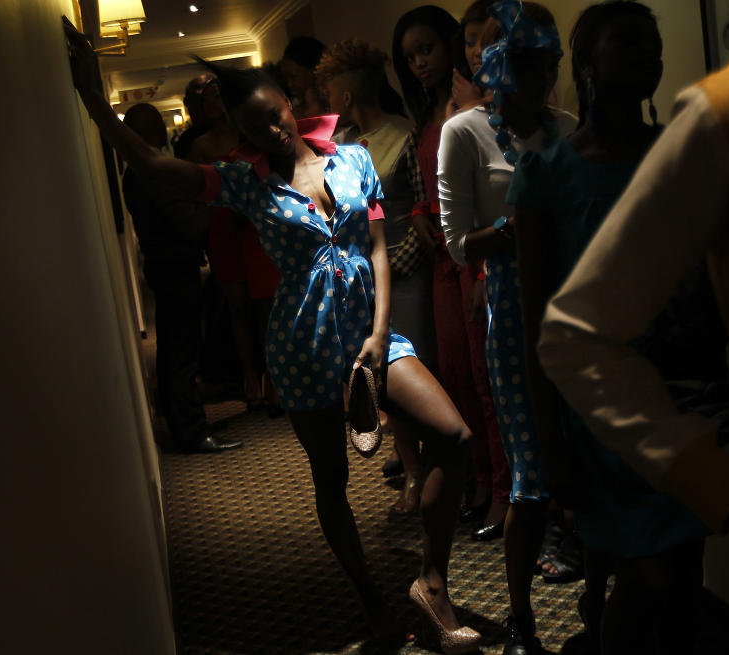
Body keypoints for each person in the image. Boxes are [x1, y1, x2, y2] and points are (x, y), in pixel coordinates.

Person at [64, 20, 480, 652]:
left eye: (276, 114)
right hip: (302, 345)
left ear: (291, 102)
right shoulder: (242, 180)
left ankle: (431, 581)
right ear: (240, 131)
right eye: (254, 126)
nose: (273, 131)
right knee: (330, 481)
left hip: (372, 337)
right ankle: (370, 598)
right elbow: (153, 162)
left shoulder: (354, 157)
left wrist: (377, 333)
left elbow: (378, 252)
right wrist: (96, 102)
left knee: (454, 436)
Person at [510, 4, 729, 652]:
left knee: (681, 573)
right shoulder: (547, 175)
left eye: (651, 47)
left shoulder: (683, 154)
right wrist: (548, 442)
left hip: (689, 392)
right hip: (602, 409)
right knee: (649, 578)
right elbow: (537, 321)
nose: (646, 58)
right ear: (585, 65)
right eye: (626, 45)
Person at [436, 2, 577, 653]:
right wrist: (518, 231)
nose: (531, 74)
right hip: (514, 311)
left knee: (583, 457)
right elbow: (458, 244)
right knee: (528, 470)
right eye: (517, 61)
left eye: (542, 60)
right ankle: (518, 618)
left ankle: (591, 604)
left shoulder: (571, 131)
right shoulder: (464, 131)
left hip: (575, 308)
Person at [396, 3, 512, 541]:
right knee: (457, 376)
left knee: (490, 378)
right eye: (411, 56)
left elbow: (493, 179)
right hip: (443, 257)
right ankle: (481, 481)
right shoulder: (425, 112)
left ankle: (507, 491)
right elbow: (430, 183)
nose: (421, 62)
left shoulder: (479, 103)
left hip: (478, 253)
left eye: (427, 49)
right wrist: (421, 214)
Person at [316, 38, 437, 514]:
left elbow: (424, 203)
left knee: (424, 370)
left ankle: (445, 468)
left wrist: (402, 259)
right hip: (363, 281)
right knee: (385, 377)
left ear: (346, 96)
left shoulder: (402, 134)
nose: (326, 102)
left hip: (408, 268)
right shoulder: (335, 148)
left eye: (330, 92)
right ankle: (413, 470)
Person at [121, 104, 243, 454]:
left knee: (178, 348)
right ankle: (191, 432)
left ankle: (188, 424)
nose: (164, 127)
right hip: (174, 266)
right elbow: (189, 223)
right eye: (156, 122)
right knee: (181, 352)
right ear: (143, 132)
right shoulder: (150, 173)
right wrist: (214, 201)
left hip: (166, 265)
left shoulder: (136, 172)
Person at [189, 75, 282, 413]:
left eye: (219, 95)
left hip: (255, 223)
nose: (215, 103)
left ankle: (273, 378)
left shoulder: (252, 135)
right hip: (223, 226)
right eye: (208, 98)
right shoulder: (201, 144)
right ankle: (249, 378)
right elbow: (198, 193)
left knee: (264, 305)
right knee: (237, 305)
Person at [280, 36, 329, 119]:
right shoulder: (292, 113)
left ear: (314, 69)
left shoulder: (335, 107)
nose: (289, 84)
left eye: (293, 76)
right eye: (286, 78)